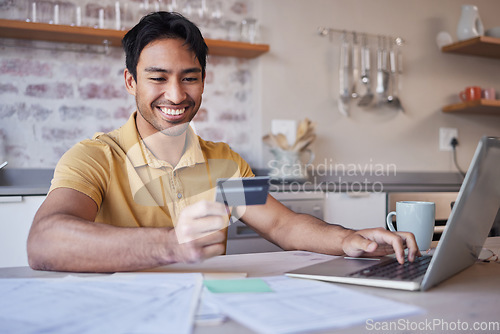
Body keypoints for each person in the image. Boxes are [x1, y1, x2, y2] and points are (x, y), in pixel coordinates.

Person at [27, 12, 419, 273]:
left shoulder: (223, 161)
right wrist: (171, 245)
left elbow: (283, 224)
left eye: (190, 77)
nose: (177, 95)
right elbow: (44, 242)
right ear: (131, 81)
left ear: (203, 80)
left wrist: (351, 240)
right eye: (158, 78)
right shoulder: (94, 156)